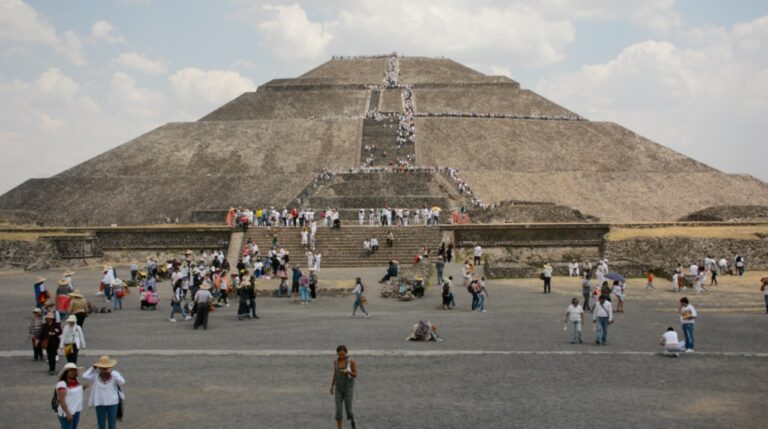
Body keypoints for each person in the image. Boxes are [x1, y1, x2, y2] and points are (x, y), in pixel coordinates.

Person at [83, 355, 125, 429]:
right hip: (100, 403)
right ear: (99, 368)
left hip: (112, 403)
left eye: (106, 368)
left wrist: (111, 372)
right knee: (101, 424)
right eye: (103, 368)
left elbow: (122, 381)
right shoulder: (95, 376)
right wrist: (93, 367)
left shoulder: (114, 375)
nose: (104, 370)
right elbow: (84, 375)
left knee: (112, 424)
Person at [329, 345, 358, 429]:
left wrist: (348, 372)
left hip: (348, 389)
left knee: (348, 411)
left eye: (343, 353)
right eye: (339, 353)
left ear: (346, 352)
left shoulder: (351, 362)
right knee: (338, 411)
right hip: (338, 389)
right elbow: (335, 374)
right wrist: (331, 386)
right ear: (337, 353)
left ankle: (353, 420)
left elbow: (355, 374)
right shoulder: (335, 362)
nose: (341, 354)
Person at [56, 362, 85, 429]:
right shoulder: (62, 384)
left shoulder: (76, 383)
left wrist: (83, 387)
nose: (74, 372)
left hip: (76, 411)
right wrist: (67, 413)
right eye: (71, 370)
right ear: (66, 372)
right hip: (67, 412)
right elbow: (61, 399)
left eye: (75, 370)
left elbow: (74, 392)